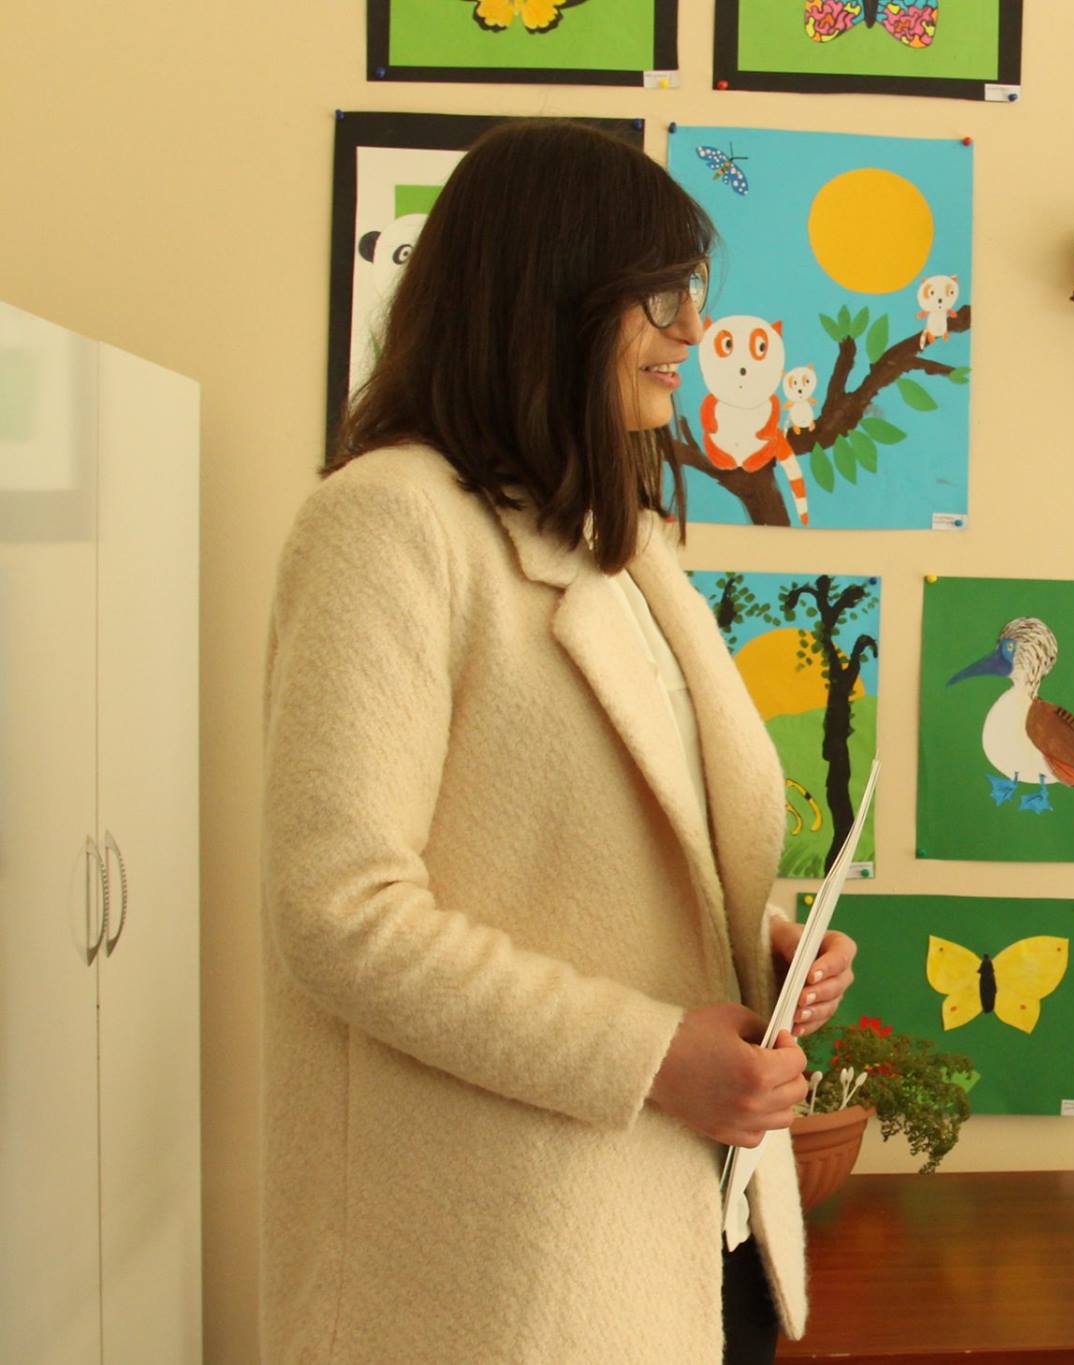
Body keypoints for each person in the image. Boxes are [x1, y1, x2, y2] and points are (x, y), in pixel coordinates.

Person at [262, 120, 854, 1364]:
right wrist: (650, 1055)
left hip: (687, 1225)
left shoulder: (618, 541)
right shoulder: (387, 522)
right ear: (548, 295)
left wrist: (758, 945)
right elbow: (338, 912)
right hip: (503, 1258)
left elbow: (594, 860)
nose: (693, 331)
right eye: (659, 296)